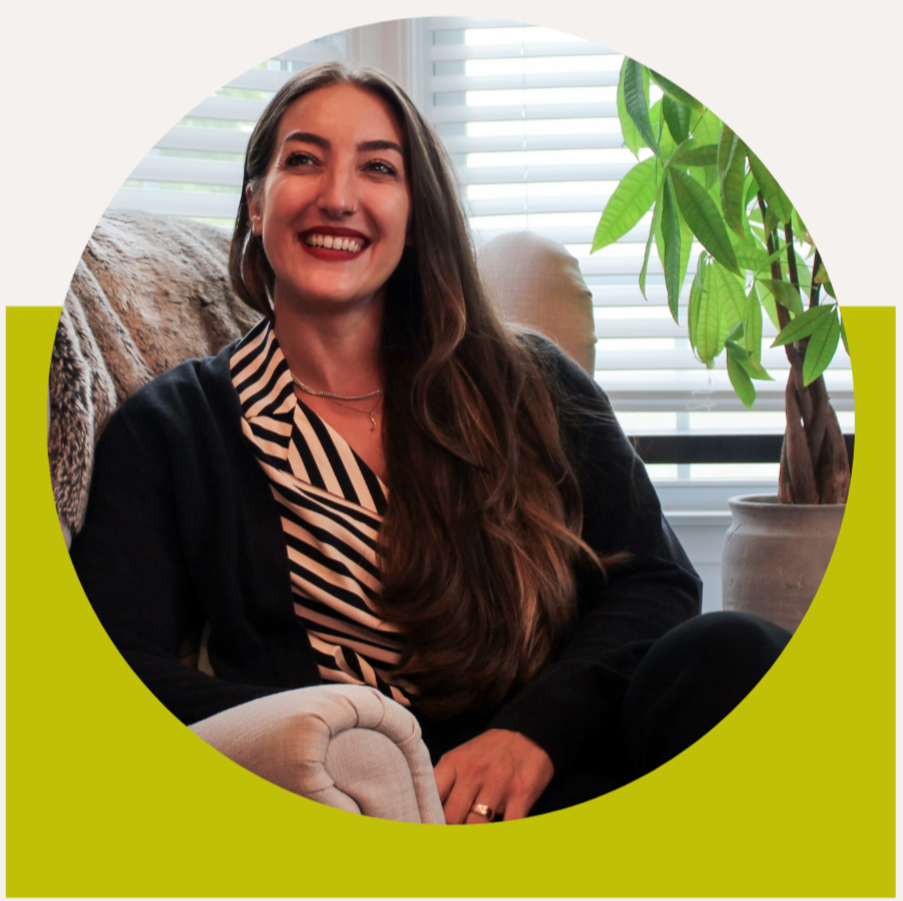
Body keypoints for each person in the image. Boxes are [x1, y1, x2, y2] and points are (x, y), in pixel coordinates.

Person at [69, 62, 789, 824]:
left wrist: (532, 731)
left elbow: (657, 582)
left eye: (378, 167)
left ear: (416, 212)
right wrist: (334, 740)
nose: (338, 196)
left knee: (734, 649)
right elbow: (112, 667)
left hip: (576, 763)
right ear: (256, 201)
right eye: (304, 160)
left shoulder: (531, 381)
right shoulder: (172, 428)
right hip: (364, 804)